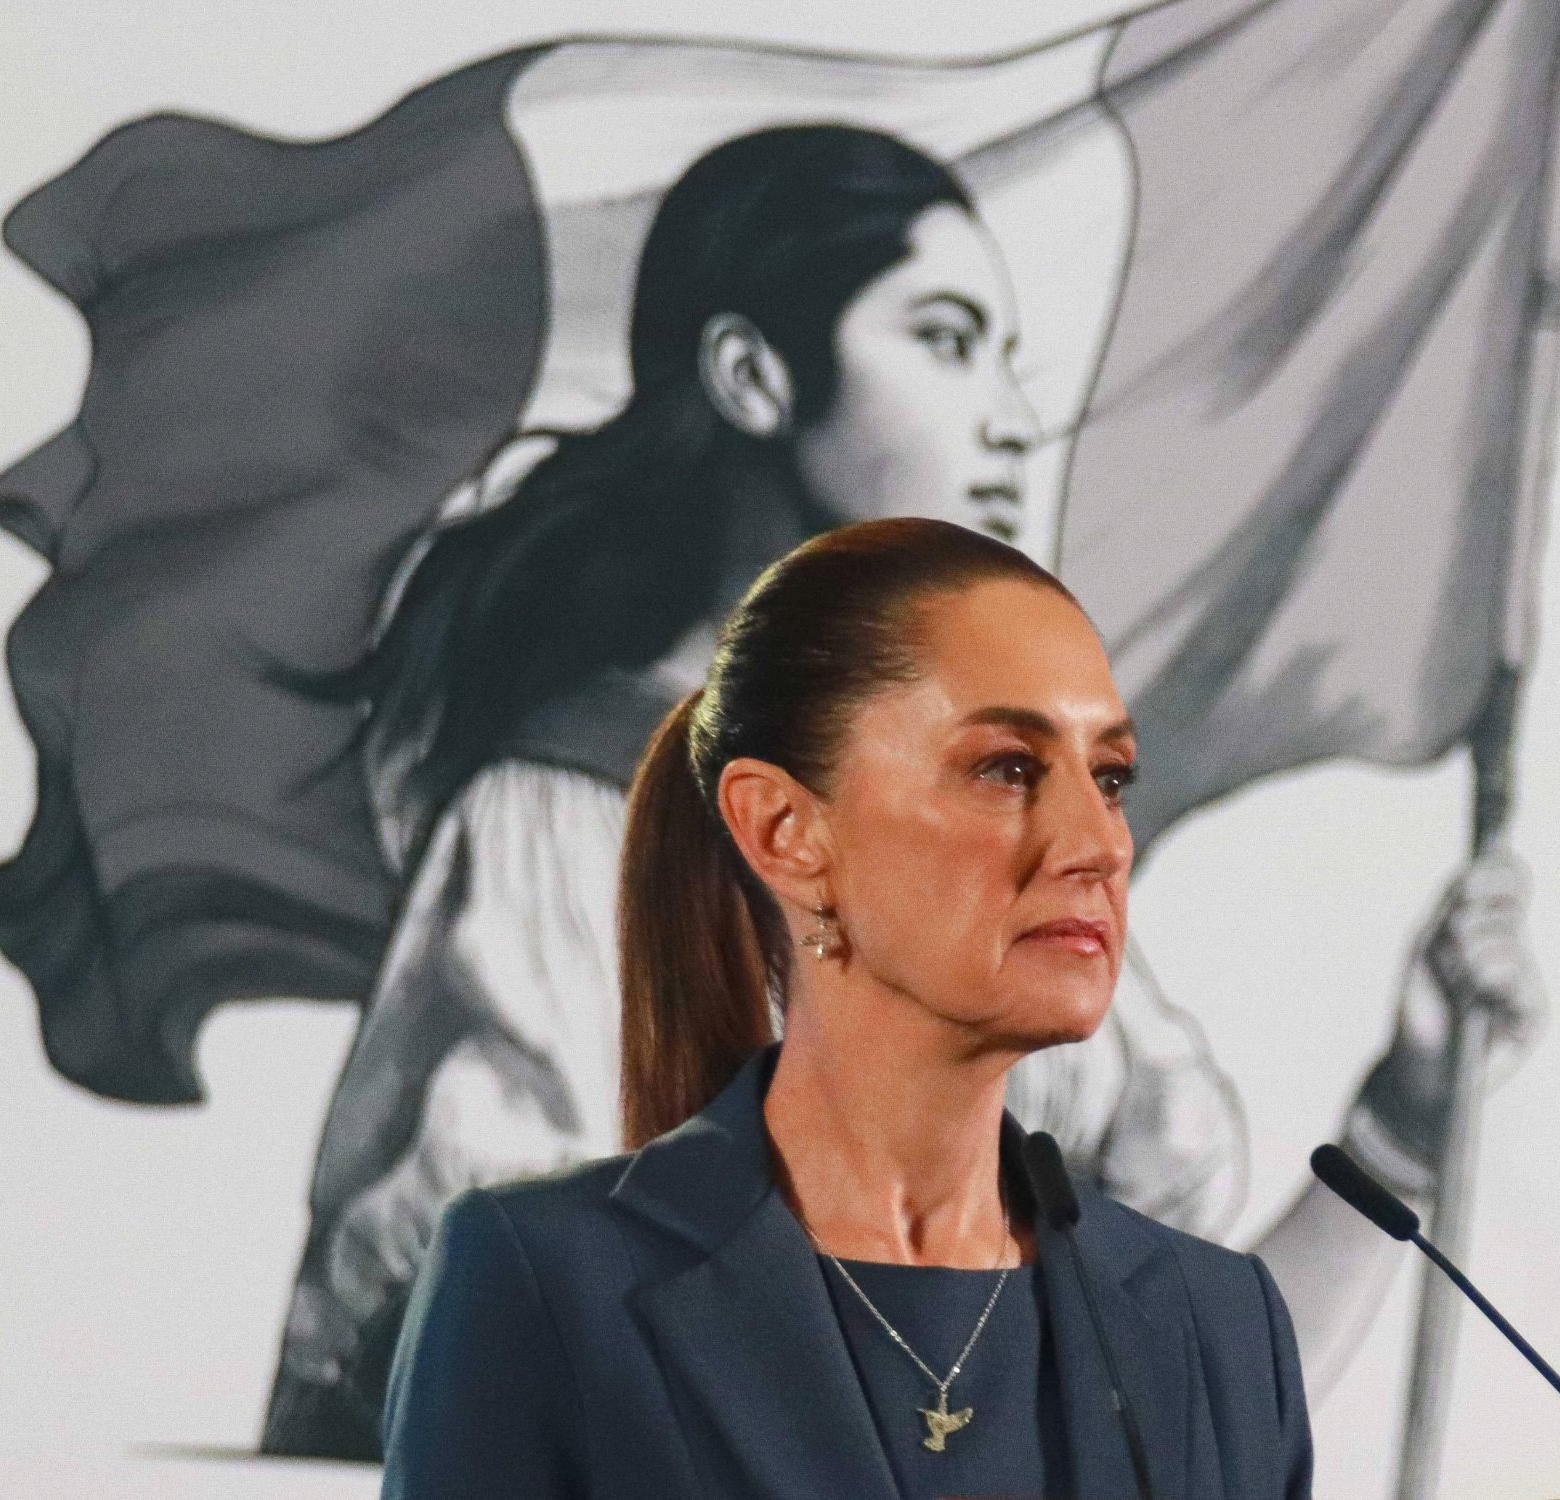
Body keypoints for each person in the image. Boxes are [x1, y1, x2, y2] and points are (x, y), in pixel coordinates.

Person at [268, 123, 1542, 1458]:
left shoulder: (1004, 876)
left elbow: (1194, 1420)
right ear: (753, 377)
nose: (1007, 416)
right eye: (943, 340)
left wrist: (1403, 1114)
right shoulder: (564, 826)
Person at [382, 517, 1312, 1499]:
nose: (1100, 841)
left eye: (1111, 777)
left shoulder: (1222, 1330)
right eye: (1007, 767)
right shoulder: (540, 1289)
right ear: (788, 833)